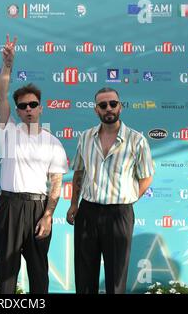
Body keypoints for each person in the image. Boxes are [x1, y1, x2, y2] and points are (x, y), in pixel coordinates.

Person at [0, 35, 68, 294]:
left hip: (38, 209)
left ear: (41, 108)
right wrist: (7, 66)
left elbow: (57, 183)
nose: (28, 109)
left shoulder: (53, 143)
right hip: (9, 207)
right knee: (5, 273)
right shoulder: (8, 130)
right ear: (18, 110)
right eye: (23, 106)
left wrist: (48, 216)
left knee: (38, 273)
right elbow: (1, 98)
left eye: (33, 105)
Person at [66, 87, 154, 294]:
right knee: (84, 274)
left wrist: (128, 199)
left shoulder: (137, 140)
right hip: (87, 211)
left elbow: (147, 176)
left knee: (116, 277)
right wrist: (73, 203)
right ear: (96, 109)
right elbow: (79, 172)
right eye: (103, 105)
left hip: (119, 214)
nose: (108, 108)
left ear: (120, 107)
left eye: (113, 104)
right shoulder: (85, 138)